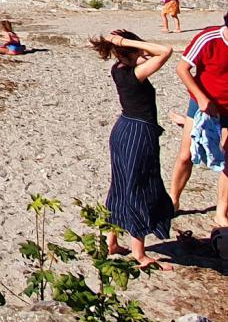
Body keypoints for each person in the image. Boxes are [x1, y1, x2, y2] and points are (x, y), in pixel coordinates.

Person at [91, 30, 175, 268]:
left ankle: (111, 241)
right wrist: (127, 42)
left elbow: (152, 53)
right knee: (140, 186)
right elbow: (166, 51)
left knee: (119, 185)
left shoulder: (118, 69)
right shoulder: (135, 74)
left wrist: (127, 47)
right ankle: (140, 253)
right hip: (139, 132)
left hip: (123, 129)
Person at [170, 15, 228, 229]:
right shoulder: (209, 38)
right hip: (202, 104)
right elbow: (182, 69)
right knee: (186, 154)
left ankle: (221, 212)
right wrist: (202, 99)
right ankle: (174, 200)